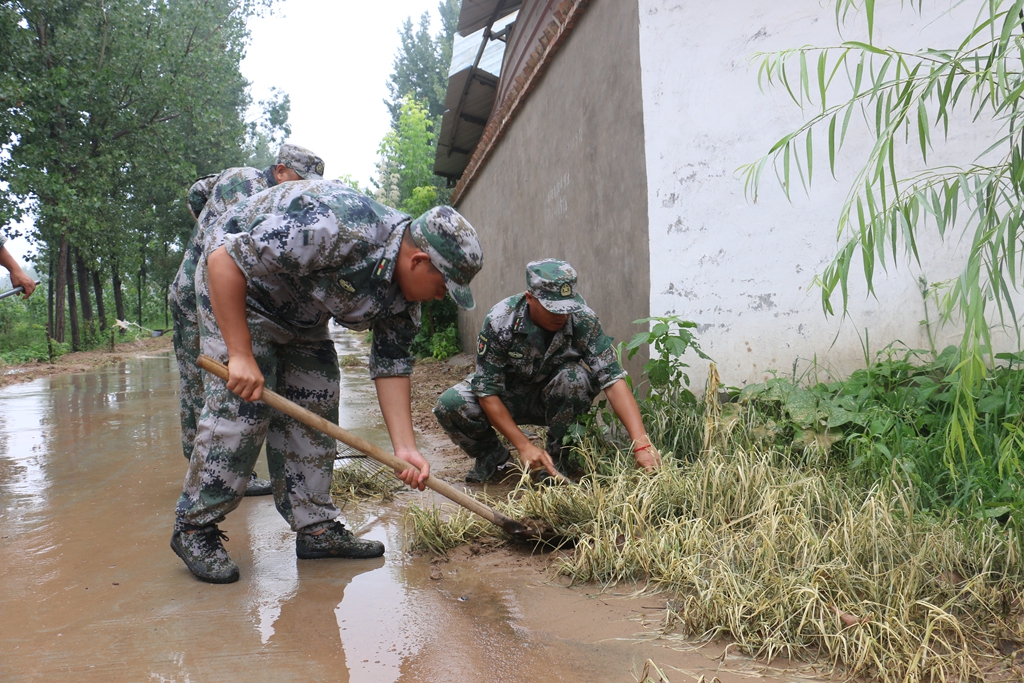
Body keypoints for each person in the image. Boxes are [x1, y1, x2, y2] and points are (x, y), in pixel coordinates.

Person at [170, 179, 483, 584]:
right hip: (239, 290)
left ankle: (315, 525)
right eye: (443, 286)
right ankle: (195, 526)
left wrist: (405, 448)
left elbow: (391, 364)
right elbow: (224, 260)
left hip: (302, 311)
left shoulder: (405, 298)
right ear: (419, 260)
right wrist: (241, 355)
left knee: (317, 397)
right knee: (243, 410)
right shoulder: (338, 228)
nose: (442, 296)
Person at [170, 143, 325, 497]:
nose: (301, 190)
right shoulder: (254, 190)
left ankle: (213, 469)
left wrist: (204, 223)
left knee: (207, 380)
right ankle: (204, 476)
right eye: (299, 180)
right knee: (206, 382)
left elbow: (196, 193)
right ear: (281, 170)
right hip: (201, 294)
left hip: (211, 287)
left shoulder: (232, 176)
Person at [434, 259, 661, 483]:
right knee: (451, 403)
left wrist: (642, 444)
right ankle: (493, 457)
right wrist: (523, 445)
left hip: (555, 399)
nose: (562, 317)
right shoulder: (501, 319)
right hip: (507, 396)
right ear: (530, 298)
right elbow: (486, 391)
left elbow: (613, 380)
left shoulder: (583, 319)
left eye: (567, 309)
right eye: (554, 309)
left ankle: (556, 460)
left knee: (575, 377)